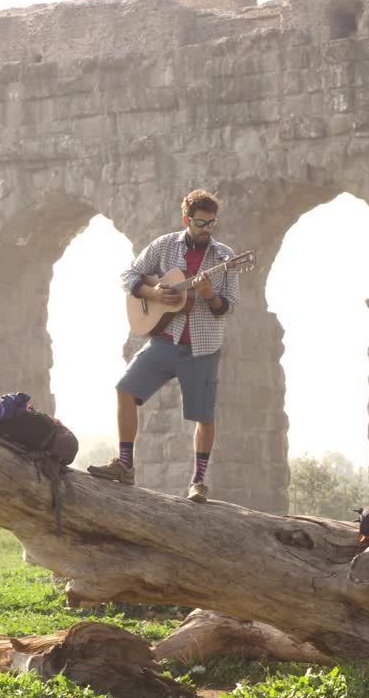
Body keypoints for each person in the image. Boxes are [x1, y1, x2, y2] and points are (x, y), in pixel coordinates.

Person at [87, 189, 240, 503]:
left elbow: (229, 307)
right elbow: (128, 274)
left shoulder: (225, 257)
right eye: (200, 222)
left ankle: (198, 483)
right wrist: (153, 293)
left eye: (212, 223)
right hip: (165, 341)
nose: (207, 229)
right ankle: (125, 465)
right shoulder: (164, 245)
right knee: (125, 389)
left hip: (202, 347)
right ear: (187, 219)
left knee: (204, 416)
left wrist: (210, 294)